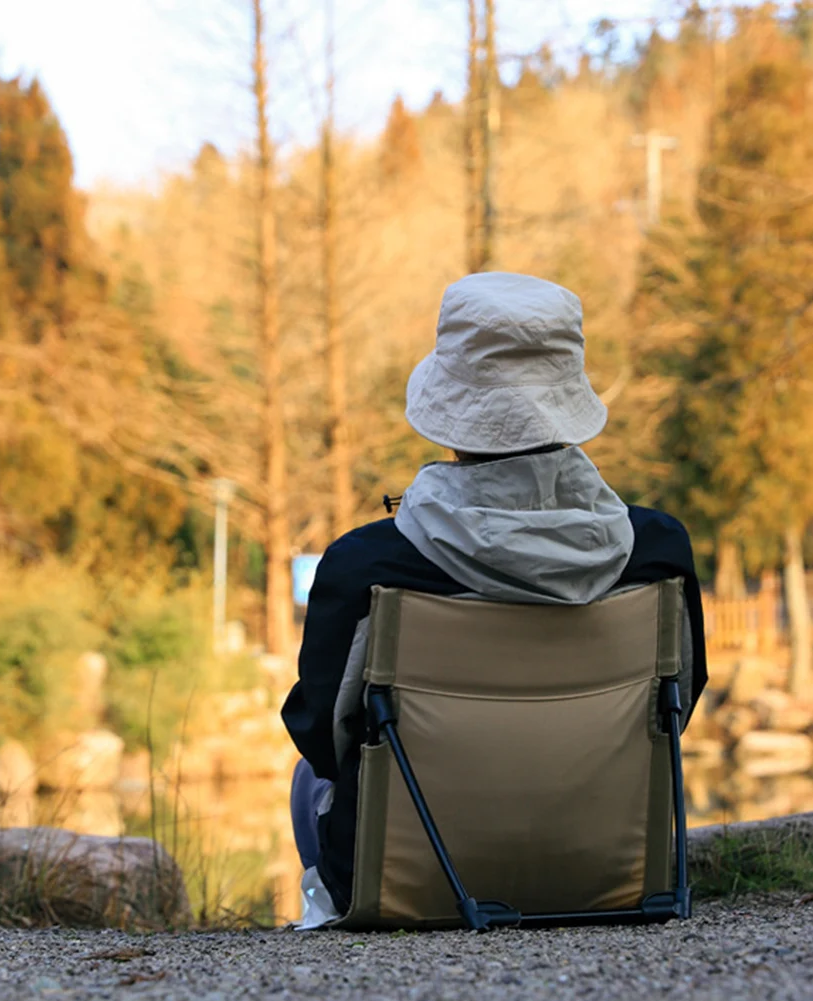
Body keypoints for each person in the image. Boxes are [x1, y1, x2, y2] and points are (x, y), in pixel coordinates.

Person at [280, 271, 707, 926]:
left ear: (453, 410)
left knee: (309, 782)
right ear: (567, 401)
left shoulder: (365, 566)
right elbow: (675, 708)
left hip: (407, 879)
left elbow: (320, 734)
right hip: (610, 872)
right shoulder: (657, 554)